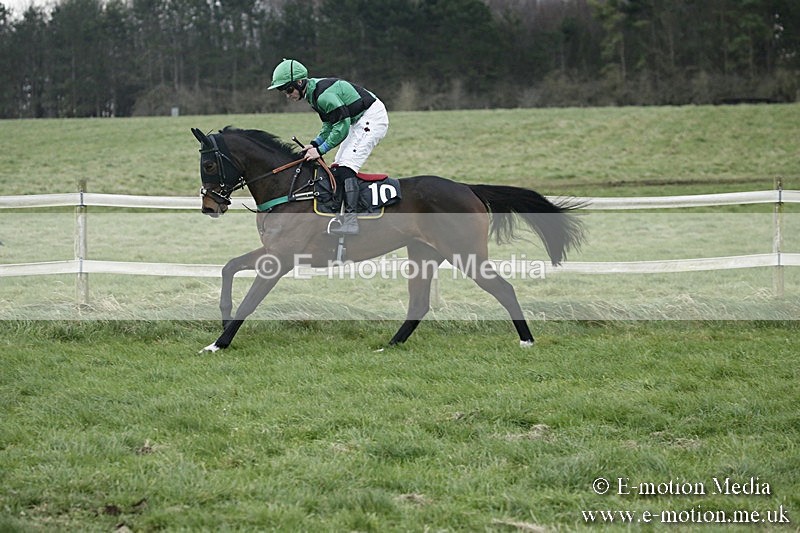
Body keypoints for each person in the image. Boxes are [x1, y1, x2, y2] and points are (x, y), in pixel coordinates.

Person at [267, 58, 389, 235]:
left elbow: (342, 127)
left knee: (347, 166)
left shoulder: (323, 96)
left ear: (300, 82)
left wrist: (321, 150)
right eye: (283, 91)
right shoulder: (313, 95)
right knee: (337, 167)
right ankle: (340, 215)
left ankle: (351, 221)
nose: (288, 95)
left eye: (289, 89)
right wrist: (315, 144)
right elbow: (329, 125)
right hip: (358, 120)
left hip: (371, 118)